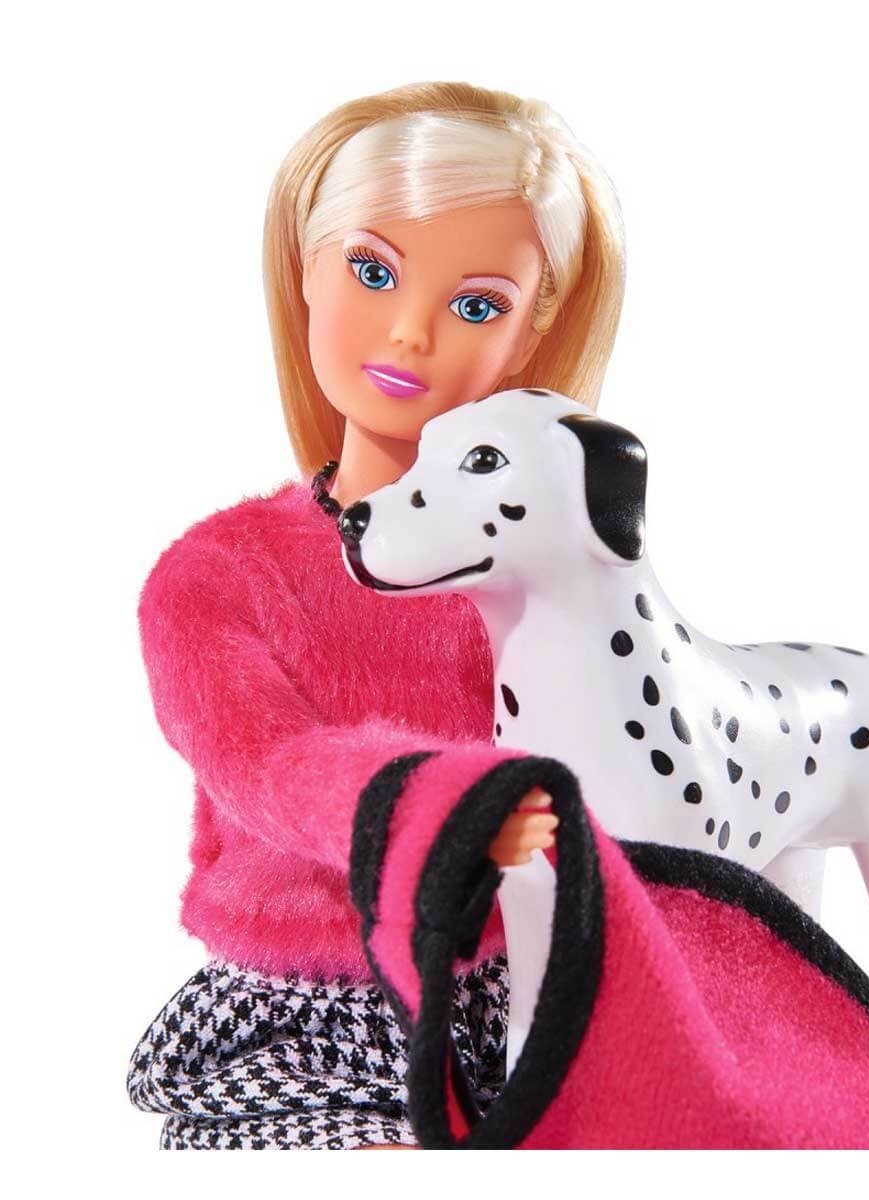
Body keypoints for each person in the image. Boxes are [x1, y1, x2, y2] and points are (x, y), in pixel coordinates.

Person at [126, 80, 626, 1150]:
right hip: (309, 1016)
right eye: (372, 270)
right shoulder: (219, 578)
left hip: (524, 999)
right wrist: (450, 809)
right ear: (303, 270)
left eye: (476, 305)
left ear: (532, 330)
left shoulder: (538, 576)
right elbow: (268, 762)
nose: (410, 332)